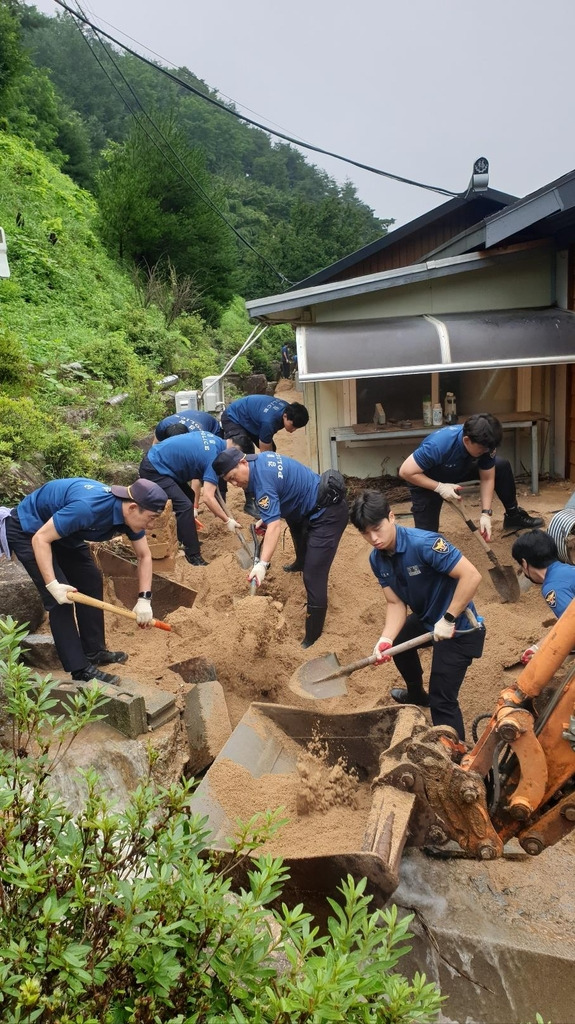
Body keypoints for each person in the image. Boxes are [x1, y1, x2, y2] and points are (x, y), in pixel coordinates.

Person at [2, 477, 168, 686]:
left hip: (64, 532)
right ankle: (79, 669)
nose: (151, 524)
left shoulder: (130, 515)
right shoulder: (88, 508)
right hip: (31, 529)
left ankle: (94, 651)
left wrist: (145, 599)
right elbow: (40, 539)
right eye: (151, 518)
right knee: (61, 600)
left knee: (90, 579)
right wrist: (53, 585)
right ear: (133, 507)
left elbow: (144, 556)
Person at [349, 490, 485, 741]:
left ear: (391, 517)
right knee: (399, 643)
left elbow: (471, 576)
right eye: (365, 533)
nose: (374, 538)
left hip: (460, 628)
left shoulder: (424, 544)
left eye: (377, 528)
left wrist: (449, 618)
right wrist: (386, 639)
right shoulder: (377, 559)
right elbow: (395, 602)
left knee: (441, 699)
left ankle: (457, 758)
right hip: (427, 620)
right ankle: (415, 693)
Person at [212, 447, 348, 648]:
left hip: (327, 515)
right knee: (293, 522)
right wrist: (266, 519)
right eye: (229, 481)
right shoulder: (261, 459)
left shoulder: (262, 484)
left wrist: (262, 565)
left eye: (233, 477)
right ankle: (300, 562)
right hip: (307, 503)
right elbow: (281, 496)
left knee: (313, 575)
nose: (234, 483)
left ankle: (312, 636)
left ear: (242, 462)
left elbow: (275, 527)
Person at [399, 412, 544, 539]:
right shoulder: (439, 445)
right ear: (466, 440)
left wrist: (486, 513)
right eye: (482, 449)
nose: (486, 451)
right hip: (427, 478)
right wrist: (439, 487)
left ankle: (513, 516)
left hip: (460, 467)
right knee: (426, 537)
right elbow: (406, 471)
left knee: (501, 466)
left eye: (489, 448)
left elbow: (487, 477)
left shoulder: (486, 445)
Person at [139, 431, 241, 567]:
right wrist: (227, 520)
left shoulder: (216, 441)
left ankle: (184, 538)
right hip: (155, 468)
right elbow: (208, 498)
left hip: (162, 461)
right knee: (185, 506)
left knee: (189, 496)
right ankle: (193, 554)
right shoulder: (214, 457)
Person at [220, 396, 309, 517]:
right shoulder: (270, 421)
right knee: (246, 453)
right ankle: (251, 502)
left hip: (250, 420)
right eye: (293, 426)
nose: (293, 430)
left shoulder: (287, 410)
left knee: (272, 449)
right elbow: (265, 458)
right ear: (285, 416)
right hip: (233, 418)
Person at [511, 529, 575, 663]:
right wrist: (538, 647)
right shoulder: (569, 570)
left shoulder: (552, 587)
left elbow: (571, 627)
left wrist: (545, 652)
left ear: (524, 563)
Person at [154, 410, 223, 443]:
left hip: (212, 427)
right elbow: (155, 445)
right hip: (192, 414)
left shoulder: (198, 438)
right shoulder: (162, 426)